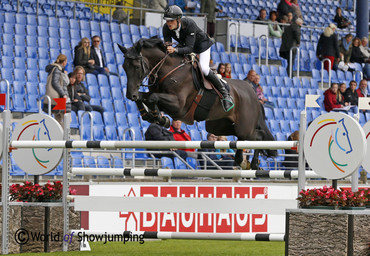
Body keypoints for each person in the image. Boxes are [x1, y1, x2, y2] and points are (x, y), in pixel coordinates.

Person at [163, 5, 234, 112]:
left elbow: (190, 48)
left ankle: (225, 94)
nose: (169, 23)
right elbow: (168, 44)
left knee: (204, 68)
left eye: (171, 20)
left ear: (178, 19)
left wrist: (176, 50)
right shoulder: (166, 28)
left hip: (202, 46)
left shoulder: (189, 24)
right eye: (167, 20)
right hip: (185, 46)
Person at [44, 54, 71, 126]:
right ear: (64, 62)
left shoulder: (58, 70)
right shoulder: (57, 69)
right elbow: (55, 83)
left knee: (59, 119)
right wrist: (63, 94)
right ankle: (63, 135)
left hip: (60, 97)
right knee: (66, 119)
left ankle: (59, 135)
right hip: (61, 97)